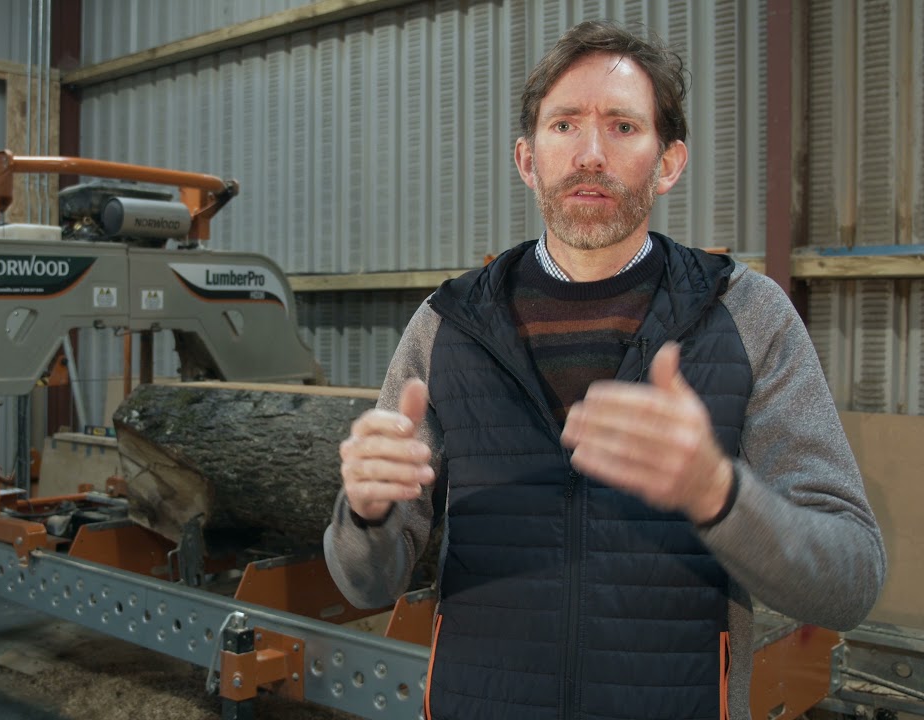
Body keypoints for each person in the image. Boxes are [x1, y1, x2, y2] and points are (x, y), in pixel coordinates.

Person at [324, 19, 886, 720]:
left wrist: (719, 494)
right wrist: (367, 511)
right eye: (565, 126)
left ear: (669, 161)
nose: (591, 153)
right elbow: (364, 585)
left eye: (622, 126)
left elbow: (851, 583)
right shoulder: (449, 325)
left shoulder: (746, 315)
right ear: (527, 160)